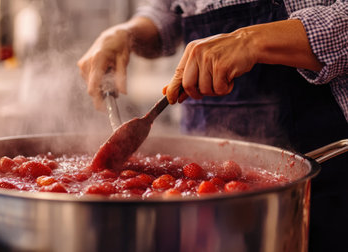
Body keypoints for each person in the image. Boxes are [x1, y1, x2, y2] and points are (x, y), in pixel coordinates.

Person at [77, 0, 347, 251]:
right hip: (195, 196)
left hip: (326, 173)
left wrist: (250, 41)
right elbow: (169, 11)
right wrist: (127, 33)